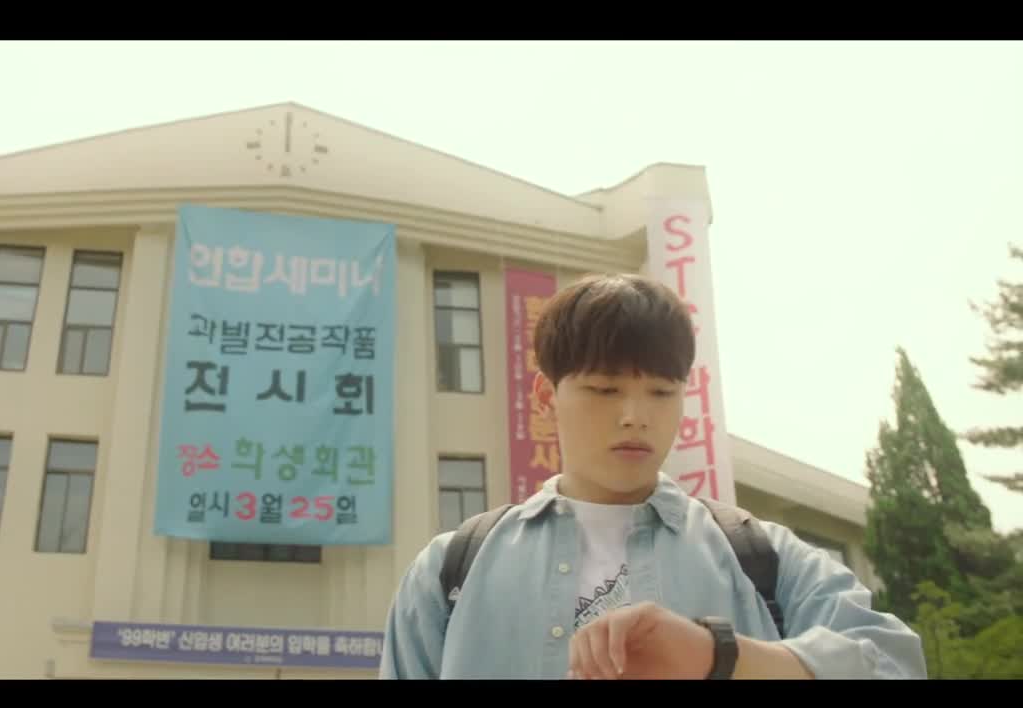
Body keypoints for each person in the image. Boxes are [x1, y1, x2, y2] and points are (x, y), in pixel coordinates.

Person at [379, 273, 926, 680]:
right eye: (605, 389)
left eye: (662, 392)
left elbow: (893, 662)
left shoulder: (760, 556)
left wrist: (719, 657)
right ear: (546, 397)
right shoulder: (451, 571)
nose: (635, 416)